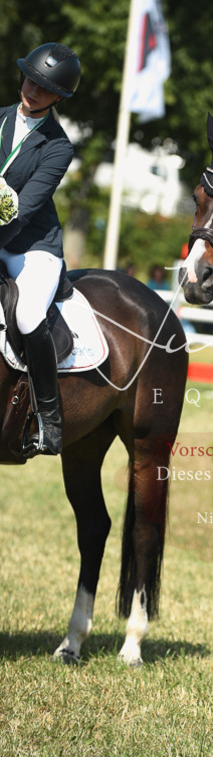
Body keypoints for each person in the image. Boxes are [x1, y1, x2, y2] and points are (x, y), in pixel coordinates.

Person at [0, 42, 81, 456]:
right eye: (31, 79)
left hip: (31, 245)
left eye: (45, 87)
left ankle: (50, 418)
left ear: (58, 97)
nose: (33, 90)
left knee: (30, 317)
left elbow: (25, 209)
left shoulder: (58, 146)